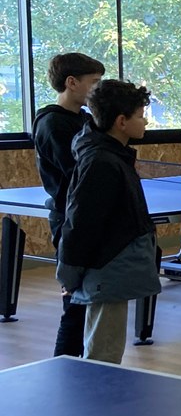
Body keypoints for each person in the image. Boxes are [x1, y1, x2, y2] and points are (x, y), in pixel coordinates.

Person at [55, 79, 161, 364]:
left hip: (112, 268)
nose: (145, 121)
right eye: (140, 116)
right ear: (121, 122)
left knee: (106, 347)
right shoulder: (102, 162)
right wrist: (69, 275)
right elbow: (81, 224)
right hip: (106, 268)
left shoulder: (114, 156)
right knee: (104, 354)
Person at [33, 52, 104, 356]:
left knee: (90, 300)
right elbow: (79, 172)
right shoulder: (52, 123)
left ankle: (87, 364)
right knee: (75, 303)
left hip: (87, 215)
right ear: (72, 82)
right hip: (69, 218)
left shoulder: (85, 119)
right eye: (94, 82)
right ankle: (64, 363)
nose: (98, 89)